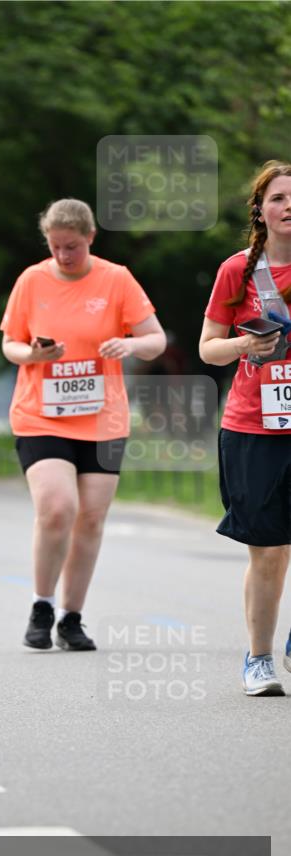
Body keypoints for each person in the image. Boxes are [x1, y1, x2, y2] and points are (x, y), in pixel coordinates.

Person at [1, 198, 166, 651]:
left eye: (71, 246)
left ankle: (71, 617)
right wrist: (33, 354)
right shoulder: (32, 280)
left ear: (90, 237)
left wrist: (129, 345)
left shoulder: (116, 279)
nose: (63, 255)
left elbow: (155, 339)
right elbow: (10, 344)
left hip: (102, 420)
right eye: (54, 246)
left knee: (91, 519)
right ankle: (41, 604)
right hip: (41, 415)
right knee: (58, 508)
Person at [199, 160, 291, 696]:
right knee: (269, 549)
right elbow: (208, 348)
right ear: (260, 210)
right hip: (254, 427)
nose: (289, 207)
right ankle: (258, 659)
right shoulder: (238, 270)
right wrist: (245, 344)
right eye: (278, 198)